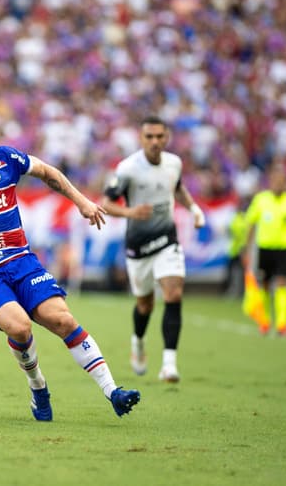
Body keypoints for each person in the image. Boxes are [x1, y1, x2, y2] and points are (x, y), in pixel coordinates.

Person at [0, 112, 140, 421]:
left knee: (61, 318)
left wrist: (82, 202)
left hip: (21, 260)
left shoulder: (3, 159)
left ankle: (113, 391)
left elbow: (48, 173)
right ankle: (38, 387)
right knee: (20, 326)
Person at [101, 116, 206, 383]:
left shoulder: (174, 163)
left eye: (160, 136)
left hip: (167, 240)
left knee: (173, 293)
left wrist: (193, 208)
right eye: (150, 137)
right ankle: (138, 342)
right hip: (138, 246)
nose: (155, 142)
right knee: (145, 304)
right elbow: (106, 204)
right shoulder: (128, 169)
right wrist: (130, 211)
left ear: (167, 137)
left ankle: (169, 364)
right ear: (141, 138)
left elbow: (178, 189)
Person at [242, 165, 286, 336]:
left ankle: (282, 323)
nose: (278, 184)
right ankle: (264, 321)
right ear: (270, 182)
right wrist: (247, 249)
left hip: (284, 249)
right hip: (265, 248)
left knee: (282, 283)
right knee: (264, 285)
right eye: (275, 181)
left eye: (281, 181)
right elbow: (251, 225)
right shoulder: (261, 200)